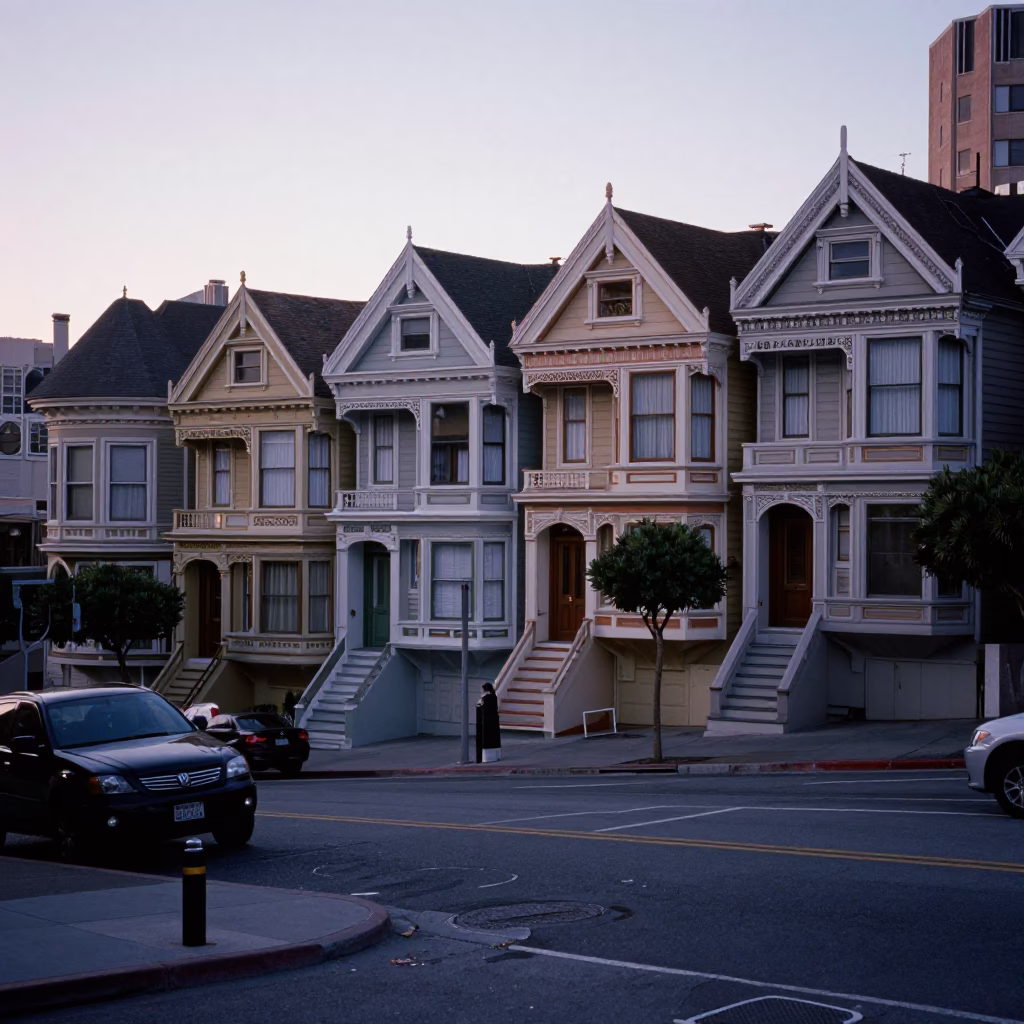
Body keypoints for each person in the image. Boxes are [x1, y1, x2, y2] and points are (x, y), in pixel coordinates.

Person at [476, 682, 501, 763]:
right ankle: (496, 756)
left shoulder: (485, 698)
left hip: (486, 722)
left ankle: (486, 758)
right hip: (494, 722)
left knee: (486, 740)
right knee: (494, 739)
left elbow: (481, 709)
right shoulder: (494, 697)